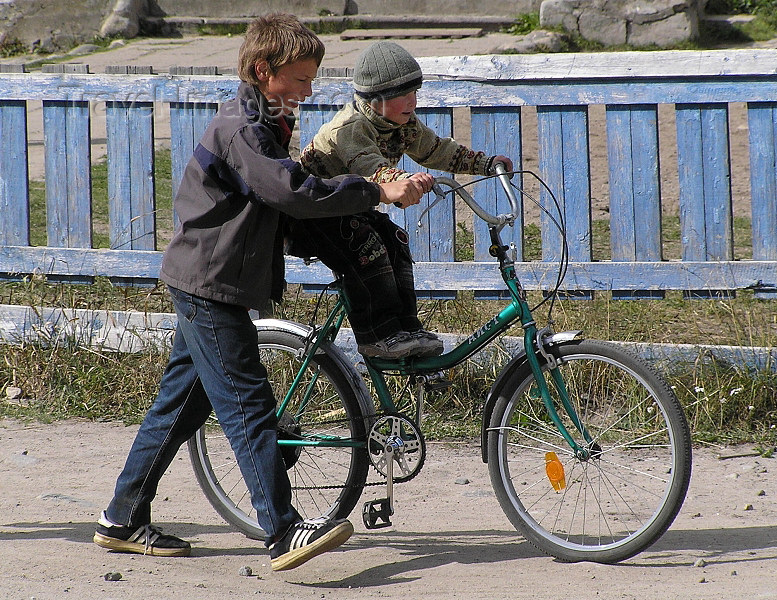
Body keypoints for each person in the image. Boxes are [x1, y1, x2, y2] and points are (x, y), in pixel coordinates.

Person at [92, 14, 427, 572]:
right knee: (248, 404)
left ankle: (121, 518)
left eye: (313, 80)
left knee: (180, 407)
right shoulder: (243, 126)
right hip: (209, 284)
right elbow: (288, 190)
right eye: (299, 80)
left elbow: (275, 202)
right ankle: (283, 530)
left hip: (213, 280)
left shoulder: (268, 120)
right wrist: (373, 190)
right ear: (262, 71)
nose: (308, 91)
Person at [293, 41, 513, 360]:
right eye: (402, 96)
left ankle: (405, 328)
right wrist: (401, 181)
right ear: (375, 98)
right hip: (309, 214)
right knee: (367, 245)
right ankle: (377, 336)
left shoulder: (402, 124)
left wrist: (484, 163)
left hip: (346, 208)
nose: (412, 102)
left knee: (395, 239)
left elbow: (436, 149)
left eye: (415, 93)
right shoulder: (351, 127)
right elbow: (370, 168)